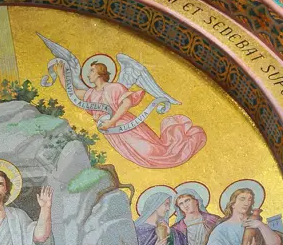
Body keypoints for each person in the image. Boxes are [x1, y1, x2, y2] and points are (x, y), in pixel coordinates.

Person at [55, 59, 206, 170]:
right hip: (112, 133)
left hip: (124, 125)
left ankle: (177, 150)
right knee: (137, 155)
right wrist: (61, 74)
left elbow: (126, 104)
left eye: (92, 71)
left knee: (149, 150)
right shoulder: (90, 93)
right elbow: (72, 93)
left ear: (101, 73)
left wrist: (112, 121)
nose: (89, 74)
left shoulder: (114, 87)